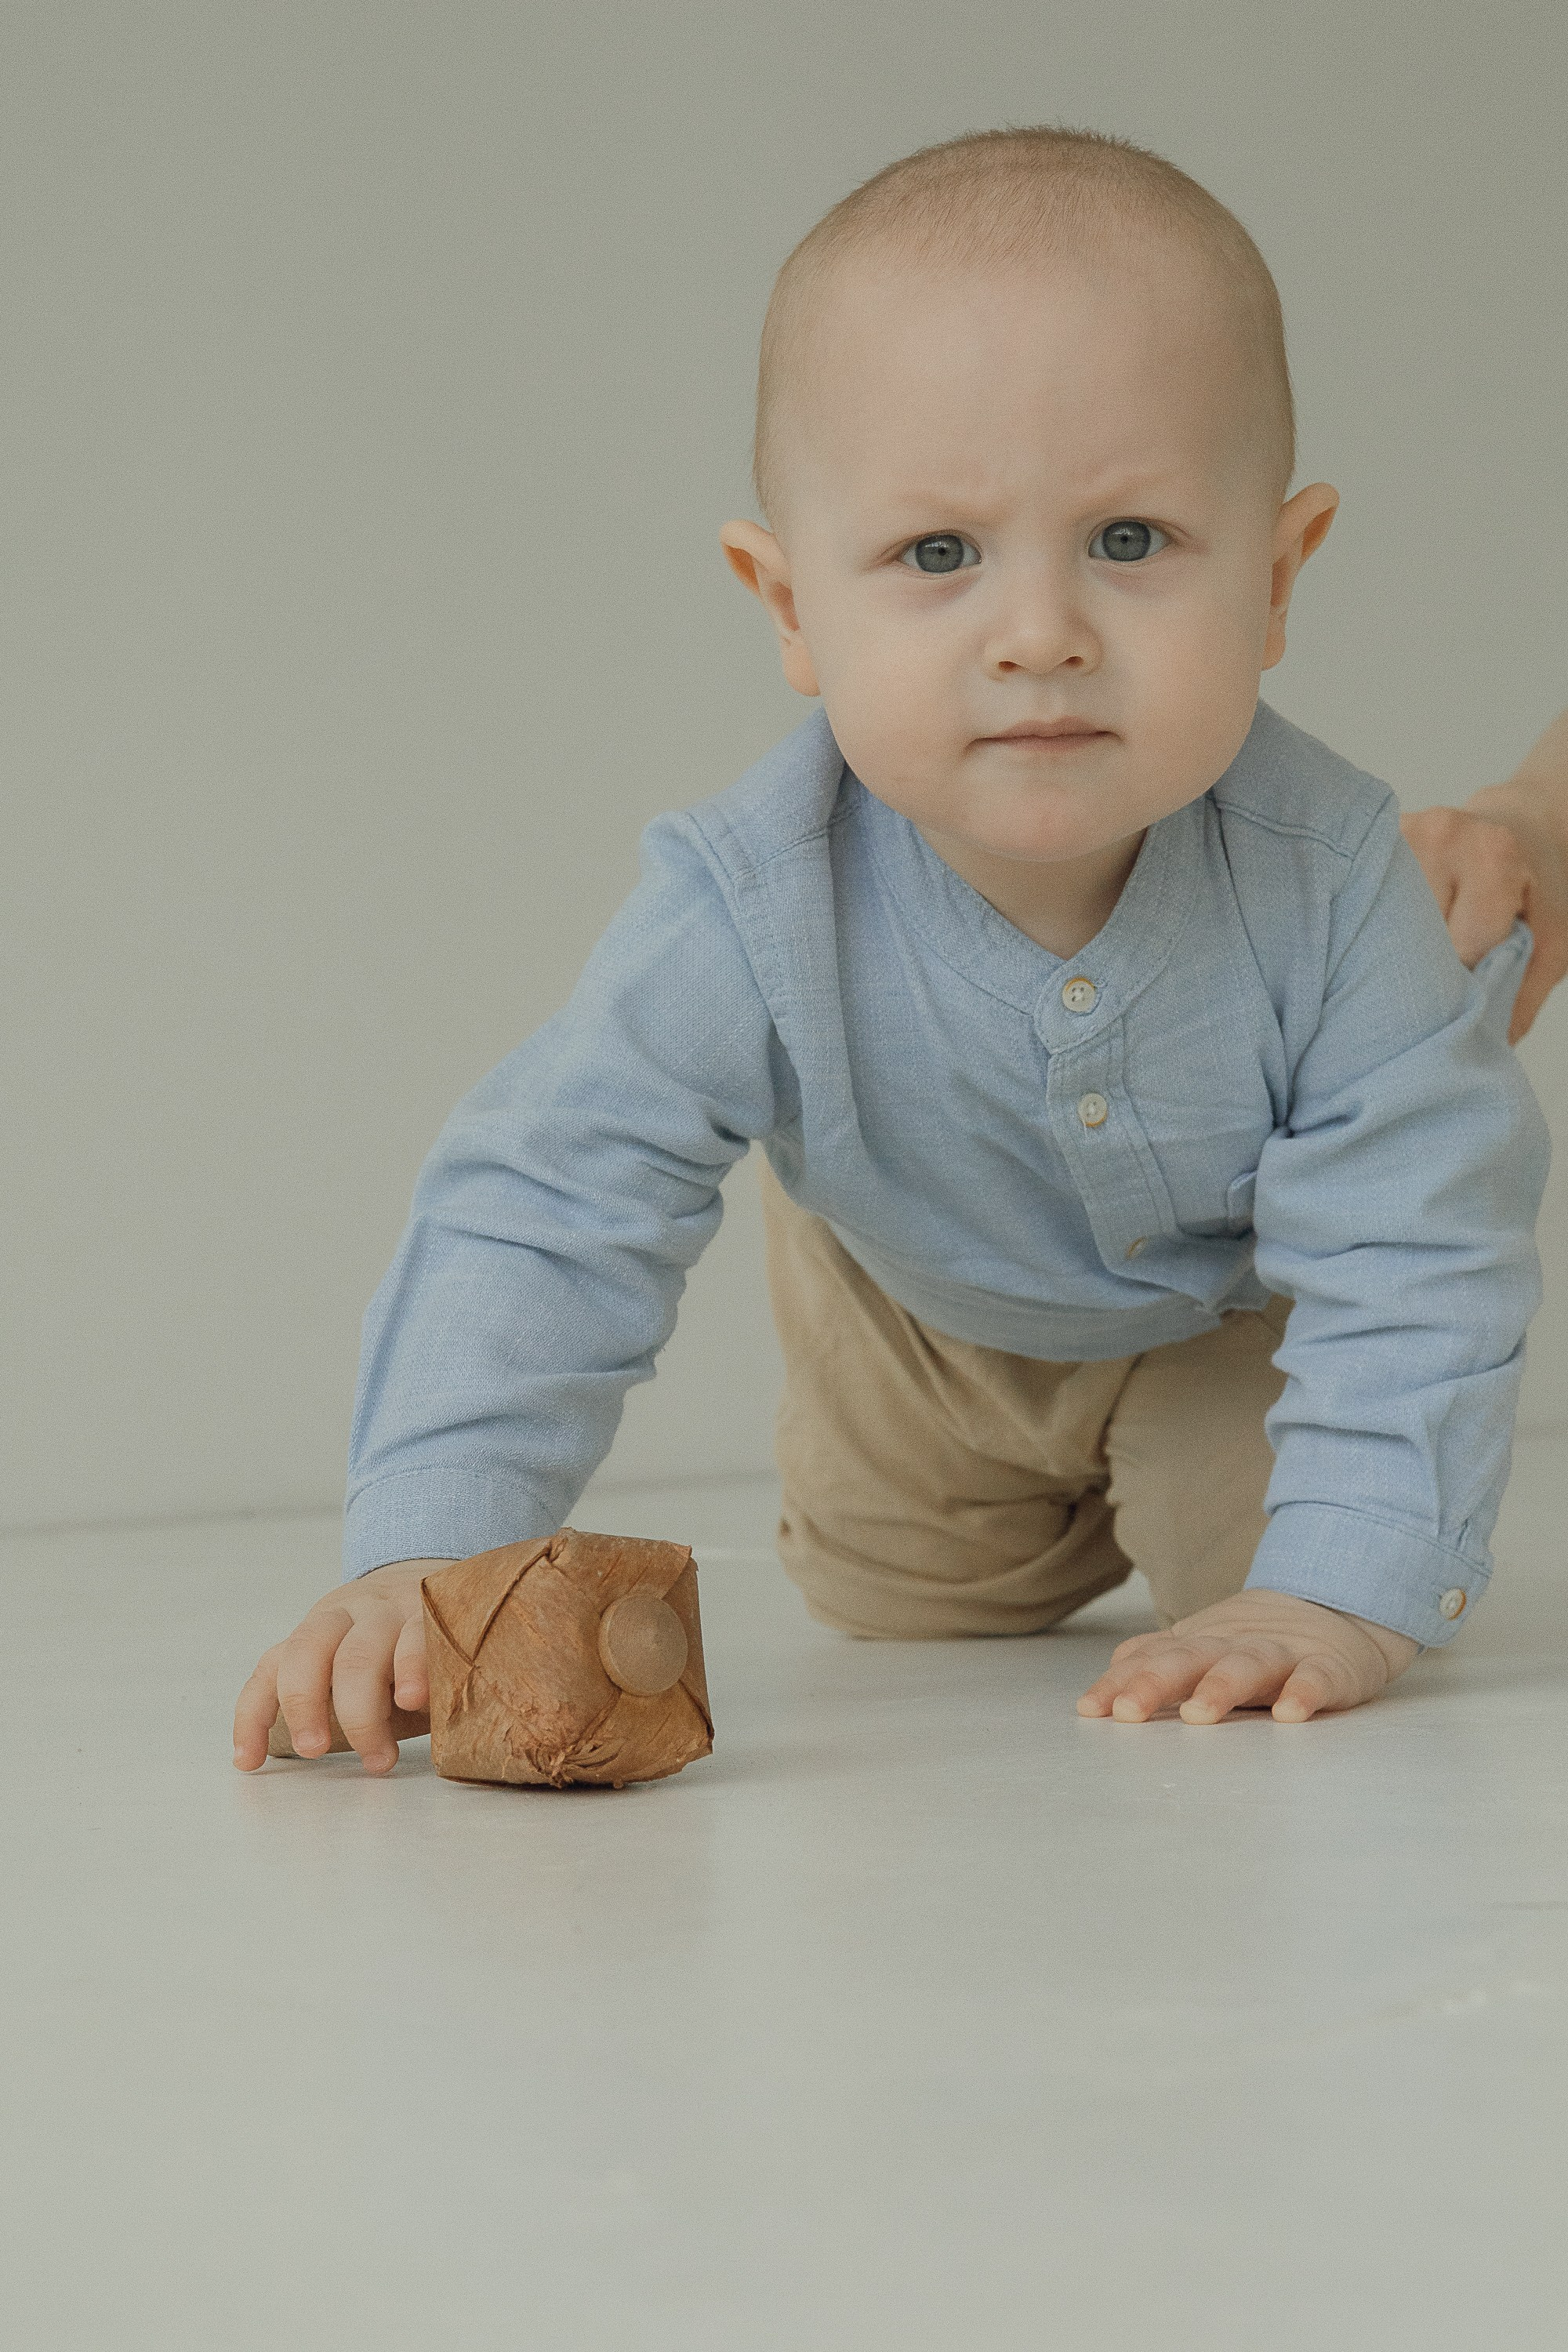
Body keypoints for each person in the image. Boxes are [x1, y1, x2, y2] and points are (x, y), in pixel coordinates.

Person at [234, 128, 1563, 1777]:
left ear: (1279, 578)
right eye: (938, 555)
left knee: (1282, 1597)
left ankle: (1236, 1519)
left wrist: (1338, 1591)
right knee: (913, 1604)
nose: (1038, 631)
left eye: (1131, 540)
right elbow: (548, 1201)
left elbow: (1415, 1246)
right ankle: (914, 1386)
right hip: (910, 1329)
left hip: (1227, 1317)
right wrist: (421, 1546)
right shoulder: (748, 898)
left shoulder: (1333, 880)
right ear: (787, 604)